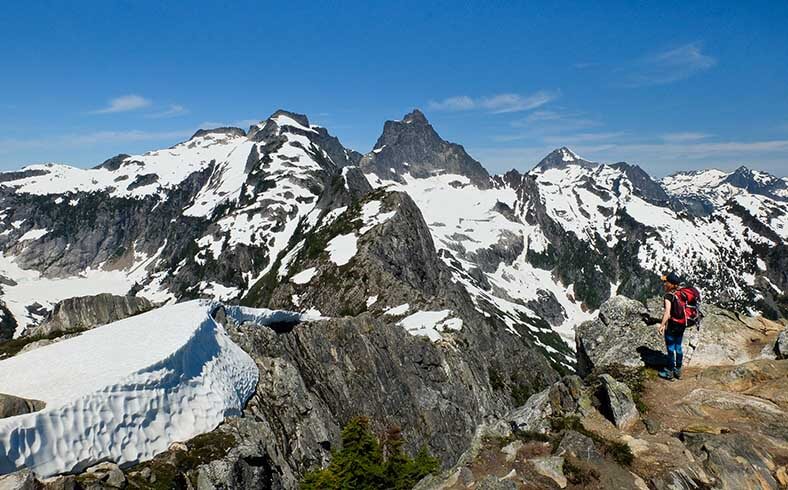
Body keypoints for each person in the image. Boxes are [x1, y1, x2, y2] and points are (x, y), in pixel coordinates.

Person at [658, 272, 685, 380]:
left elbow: (667, 313)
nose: (664, 283)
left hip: (673, 325)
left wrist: (662, 325)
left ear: (670, 284)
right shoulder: (681, 293)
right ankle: (678, 370)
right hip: (682, 324)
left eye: (666, 282)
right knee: (678, 347)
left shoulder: (669, 296)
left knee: (670, 348)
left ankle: (669, 371)